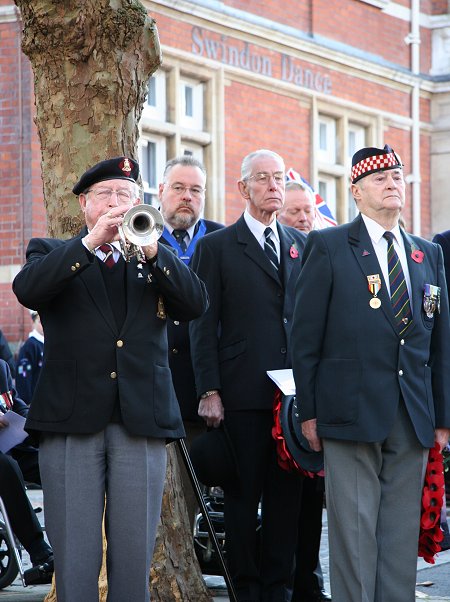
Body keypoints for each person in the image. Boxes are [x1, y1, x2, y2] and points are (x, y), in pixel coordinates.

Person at [12, 156, 208, 602]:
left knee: (134, 556)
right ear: (84, 204)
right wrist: (89, 244)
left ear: (139, 202)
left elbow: (195, 304)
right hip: (71, 419)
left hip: (140, 418)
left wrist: (157, 252)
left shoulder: (152, 258)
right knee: (76, 556)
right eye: (105, 195)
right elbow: (29, 290)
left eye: (125, 195)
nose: (116, 204)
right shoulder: (51, 251)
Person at [291, 144, 450, 602]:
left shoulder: (427, 255)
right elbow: (305, 339)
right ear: (356, 192)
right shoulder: (329, 245)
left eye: (398, 177)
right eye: (381, 179)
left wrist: (442, 417)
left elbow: (440, 342)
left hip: (412, 413)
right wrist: (309, 410)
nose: (393, 184)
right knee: (354, 536)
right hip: (349, 410)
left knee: (400, 537)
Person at [190, 149, 307, 602]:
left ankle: (278, 587)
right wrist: (210, 390)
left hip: (293, 400)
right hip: (240, 394)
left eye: (279, 178)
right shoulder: (215, 247)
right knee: (241, 499)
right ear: (243, 188)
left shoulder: (302, 245)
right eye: (263, 178)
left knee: (286, 501)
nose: (274, 186)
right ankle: (247, 587)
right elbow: (202, 324)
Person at [158, 155, 223, 527]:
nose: (187, 197)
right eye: (178, 188)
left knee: (197, 499)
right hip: (154, 386)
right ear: (161, 191)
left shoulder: (222, 238)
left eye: (195, 190)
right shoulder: (140, 235)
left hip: (203, 391)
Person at [278, 188, 331, 602]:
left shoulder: (323, 254)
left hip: (312, 392)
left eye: (307, 211)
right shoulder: (282, 251)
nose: (302, 218)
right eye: (294, 211)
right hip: (272, 390)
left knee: (314, 495)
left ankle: (310, 582)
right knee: (280, 499)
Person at [0, 359, 53, 584]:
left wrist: (35, 421)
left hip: (11, 444)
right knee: (6, 468)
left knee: (54, 462)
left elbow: (13, 402)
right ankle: (39, 551)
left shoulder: (1, 366)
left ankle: (74, 545)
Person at [16, 310, 44, 405]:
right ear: (33, 323)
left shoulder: (50, 343)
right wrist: (27, 402)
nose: (44, 324)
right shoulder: (30, 346)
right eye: (40, 321)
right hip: (35, 403)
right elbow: (23, 376)